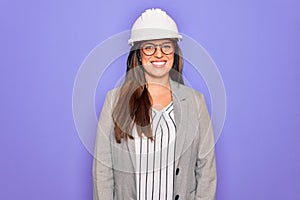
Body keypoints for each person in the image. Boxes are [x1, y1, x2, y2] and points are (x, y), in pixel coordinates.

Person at [93, 8, 216, 200]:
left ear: (174, 51)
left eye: (166, 46)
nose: (159, 54)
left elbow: (206, 170)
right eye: (149, 47)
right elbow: (103, 171)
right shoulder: (114, 101)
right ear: (139, 54)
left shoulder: (195, 102)